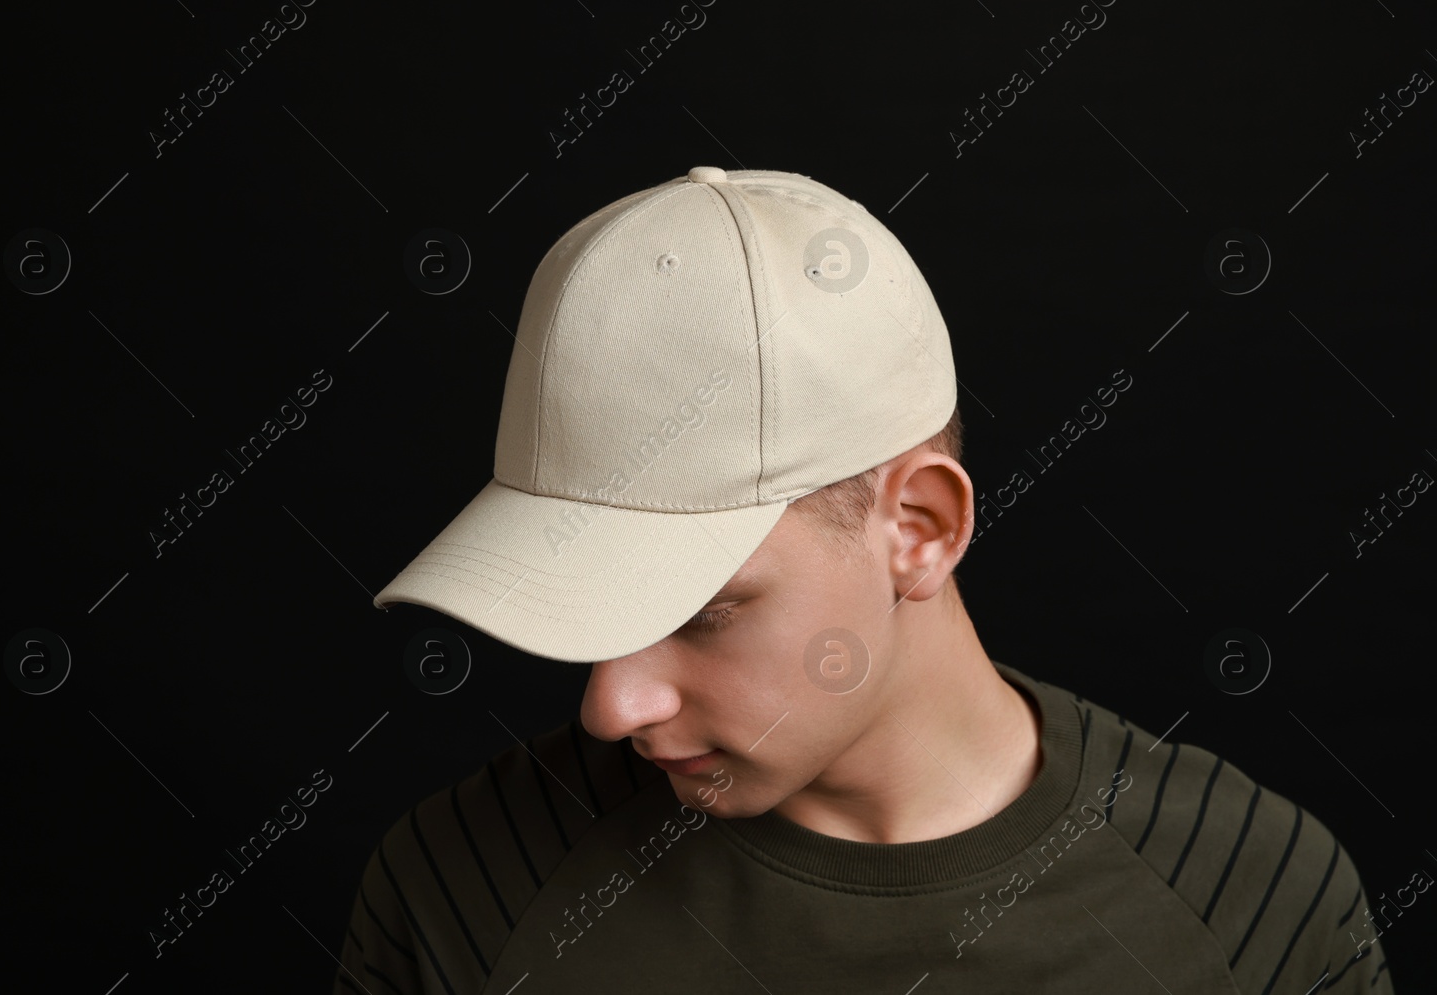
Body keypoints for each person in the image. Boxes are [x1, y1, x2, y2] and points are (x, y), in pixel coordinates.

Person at [333, 167, 1393, 993]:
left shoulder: (1249, 897)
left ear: (920, 529)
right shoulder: (462, 888)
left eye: (703, 611)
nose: (610, 705)